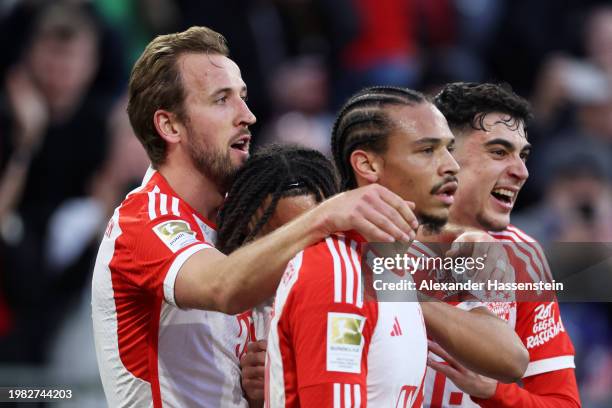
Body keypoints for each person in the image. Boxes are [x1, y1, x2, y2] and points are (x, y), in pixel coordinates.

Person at [91, 26, 420, 407]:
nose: (247, 115)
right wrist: (329, 213)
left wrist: (268, 385)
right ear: (170, 125)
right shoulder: (143, 221)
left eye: (243, 97)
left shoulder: (243, 217)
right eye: (221, 100)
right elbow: (223, 286)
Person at [265, 86, 528, 407]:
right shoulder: (338, 273)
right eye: (427, 150)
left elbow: (512, 360)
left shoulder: (388, 270)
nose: (451, 166)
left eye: (448, 149)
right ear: (368, 165)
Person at [424, 82, 580, 407]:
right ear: (443, 155)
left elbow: (563, 402)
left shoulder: (522, 255)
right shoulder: (375, 234)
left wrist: (494, 392)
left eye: (522, 155)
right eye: (499, 152)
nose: (521, 171)